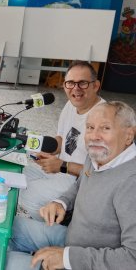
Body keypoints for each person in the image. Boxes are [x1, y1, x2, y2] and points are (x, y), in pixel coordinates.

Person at [7, 101, 136, 270]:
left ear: (129, 135)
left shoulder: (131, 182)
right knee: (10, 227)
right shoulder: (99, 154)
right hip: (71, 239)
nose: (94, 136)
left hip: (86, 261)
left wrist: (67, 259)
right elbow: (80, 184)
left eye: (105, 128)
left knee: (7, 262)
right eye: (90, 127)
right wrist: (61, 202)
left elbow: (132, 259)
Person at [19, 60, 104, 220]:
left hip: (79, 182)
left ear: (95, 85)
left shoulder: (104, 118)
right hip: (60, 170)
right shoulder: (71, 105)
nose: (76, 89)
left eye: (83, 83)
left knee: (28, 195)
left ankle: (54, 231)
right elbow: (61, 140)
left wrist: (63, 166)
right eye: (70, 83)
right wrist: (46, 151)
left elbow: (100, 173)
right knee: (18, 177)